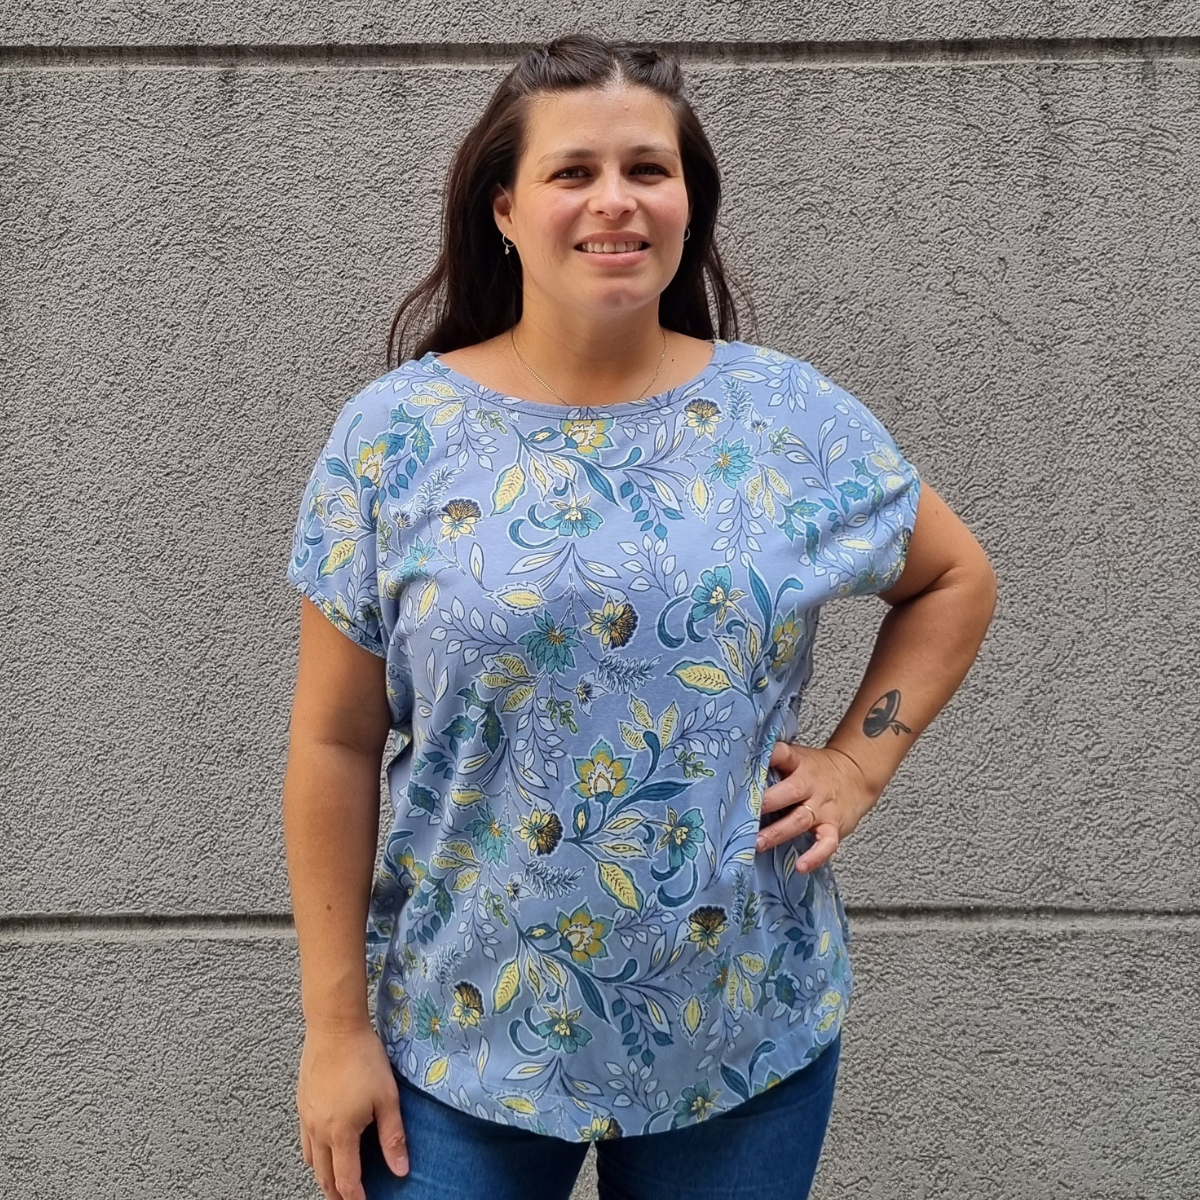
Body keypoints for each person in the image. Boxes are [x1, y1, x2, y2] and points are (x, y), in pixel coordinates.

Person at [282, 33, 997, 1200]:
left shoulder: (788, 419)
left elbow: (954, 580)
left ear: (687, 204)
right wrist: (334, 1028)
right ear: (505, 210)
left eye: (647, 170)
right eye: (573, 171)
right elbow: (334, 741)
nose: (614, 200)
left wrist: (860, 763)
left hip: (740, 1032)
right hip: (459, 1037)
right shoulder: (392, 438)